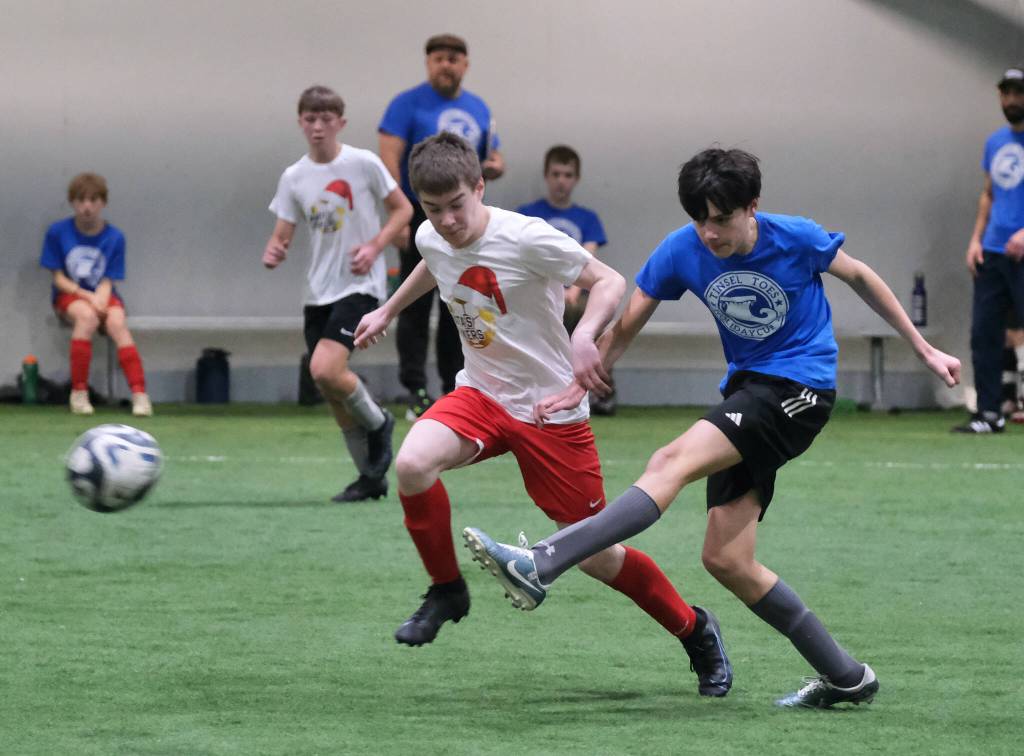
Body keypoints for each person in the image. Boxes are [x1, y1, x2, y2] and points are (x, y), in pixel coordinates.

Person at [464, 147, 961, 709]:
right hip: (747, 389)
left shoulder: (793, 237)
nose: (709, 233)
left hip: (799, 389)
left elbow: (861, 276)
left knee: (668, 462)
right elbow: (631, 317)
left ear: (752, 207)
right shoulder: (682, 248)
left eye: (722, 219)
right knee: (727, 560)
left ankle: (544, 562)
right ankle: (848, 677)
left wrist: (922, 349)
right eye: (700, 219)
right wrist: (590, 372)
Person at [354, 133, 733, 698]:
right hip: (480, 395)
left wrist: (585, 335)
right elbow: (433, 263)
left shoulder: (526, 236)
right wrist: (387, 307)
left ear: (480, 187)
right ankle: (446, 590)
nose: (449, 220)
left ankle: (694, 628)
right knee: (411, 465)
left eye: (458, 205)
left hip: (550, 408)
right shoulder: (431, 233)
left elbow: (607, 281)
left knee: (598, 557)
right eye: (434, 209)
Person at [264, 85, 412, 502]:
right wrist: (275, 250)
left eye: (326, 119)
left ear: (340, 123)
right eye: (310, 119)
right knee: (330, 390)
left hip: (360, 285)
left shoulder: (363, 163)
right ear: (300, 123)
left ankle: (380, 422)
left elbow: (403, 209)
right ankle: (369, 478)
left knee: (325, 370)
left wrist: (375, 246)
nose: (317, 127)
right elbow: (283, 233)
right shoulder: (294, 176)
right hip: (317, 291)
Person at [378, 33, 505, 420]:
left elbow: (492, 155)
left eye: (453, 58)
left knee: (461, 299)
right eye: (438, 59)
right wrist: (398, 215)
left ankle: (456, 387)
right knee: (415, 304)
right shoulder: (406, 105)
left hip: (466, 217)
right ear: (428, 63)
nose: (446, 65)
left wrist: (495, 167)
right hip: (421, 213)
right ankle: (415, 388)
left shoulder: (479, 108)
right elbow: (389, 161)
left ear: (465, 65)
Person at [40, 172, 152, 417]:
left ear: (103, 203)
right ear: (72, 202)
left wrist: (100, 298)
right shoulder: (57, 232)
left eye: (93, 200)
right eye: (81, 200)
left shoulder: (115, 237)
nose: (87, 207)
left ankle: (140, 395)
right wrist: (87, 297)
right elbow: (58, 278)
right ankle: (79, 394)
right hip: (69, 295)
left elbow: (108, 279)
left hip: (103, 294)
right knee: (87, 317)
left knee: (117, 322)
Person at [517, 145, 616, 415]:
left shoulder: (587, 218)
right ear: (547, 176)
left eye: (568, 175)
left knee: (592, 313)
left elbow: (589, 258)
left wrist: (571, 289)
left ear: (576, 179)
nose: (562, 180)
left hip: (577, 292)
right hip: (537, 291)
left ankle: (599, 391)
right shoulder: (527, 214)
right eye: (556, 174)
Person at [957, 65, 1024, 433]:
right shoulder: (995, 142)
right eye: (1006, 93)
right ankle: (989, 413)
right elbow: (989, 193)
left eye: (1018, 93)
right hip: (993, 252)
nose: (1012, 100)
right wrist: (975, 239)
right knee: (984, 332)